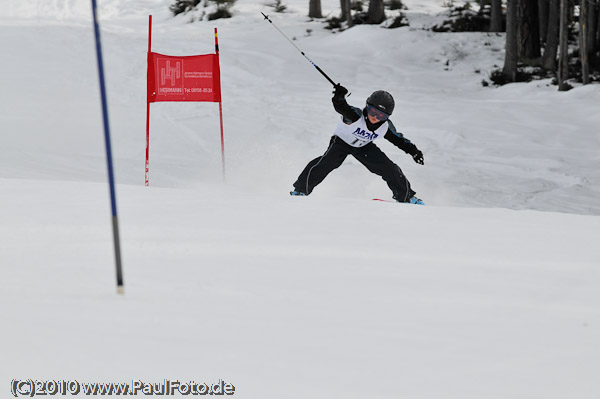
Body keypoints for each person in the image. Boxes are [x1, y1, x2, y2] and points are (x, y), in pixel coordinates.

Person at [290, 84, 425, 204]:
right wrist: (339, 96)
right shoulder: (355, 115)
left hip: (363, 146)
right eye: (373, 112)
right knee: (327, 162)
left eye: (381, 116)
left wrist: (414, 151)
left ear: (387, 117)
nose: (375, 118)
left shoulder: (385, 127)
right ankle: (300, 190)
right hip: (342, 142)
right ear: (367, 107)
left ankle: (406, 197)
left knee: (390, 168)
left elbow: (399, 140)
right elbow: (341, 107)